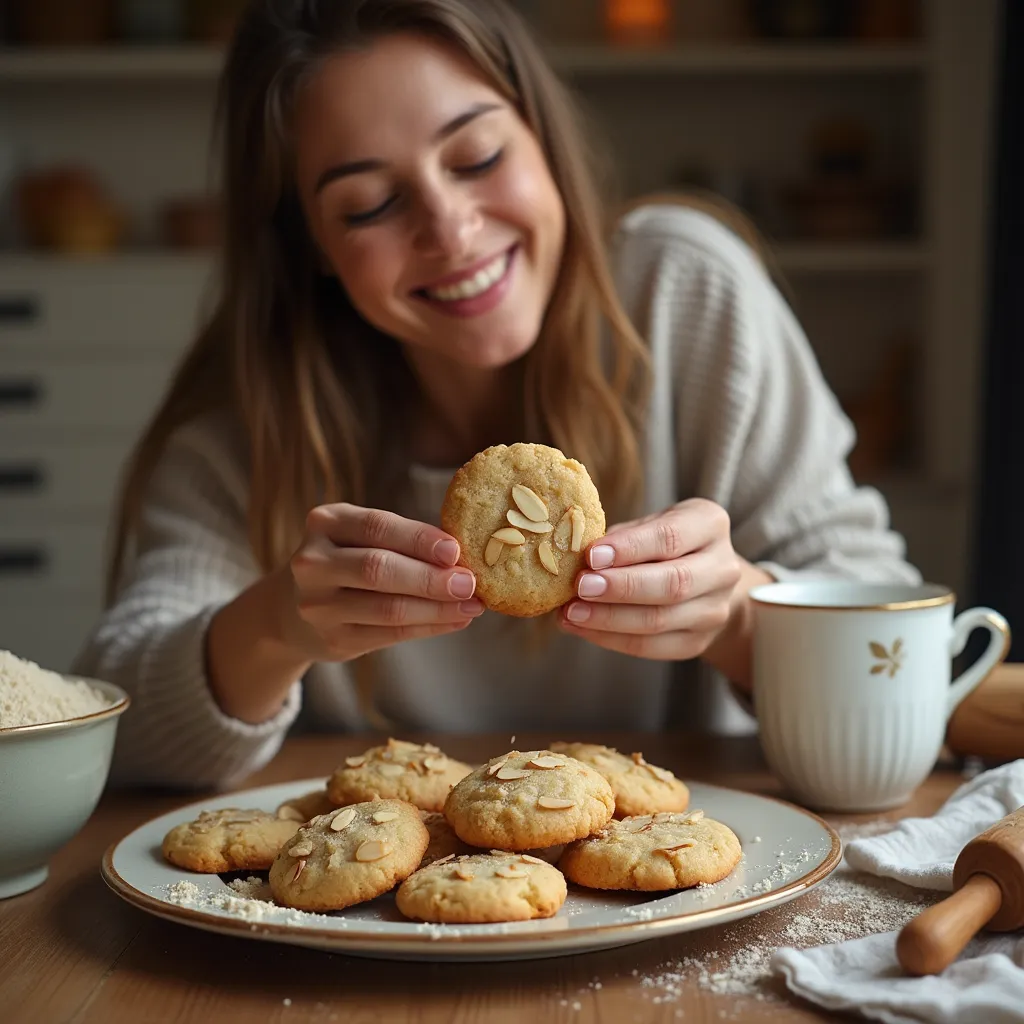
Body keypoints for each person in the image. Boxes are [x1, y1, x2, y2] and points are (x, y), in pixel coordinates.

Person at [73, 0, 919, 790]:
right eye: (369, 205)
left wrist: (741, 617)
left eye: (478, 157)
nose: (449, 227)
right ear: (313, 246)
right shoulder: (257, 414)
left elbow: (893, 629)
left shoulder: (684, 296)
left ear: (543, 138)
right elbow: (113, 720)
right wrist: (273, 627)